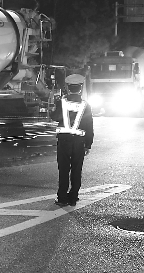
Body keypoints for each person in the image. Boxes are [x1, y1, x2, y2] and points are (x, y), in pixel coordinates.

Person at [52, 74, 94, 207]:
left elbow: (54, 117)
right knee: (76, 170)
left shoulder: (61, 101)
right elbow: (89, 125)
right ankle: (73, 197)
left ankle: (62, 197)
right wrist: (88, 144)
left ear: (67, 88)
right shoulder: (86, 105)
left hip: (64, 141)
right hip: (79, 142)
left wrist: (52, 107)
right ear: (80, 88)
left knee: (63, 170)